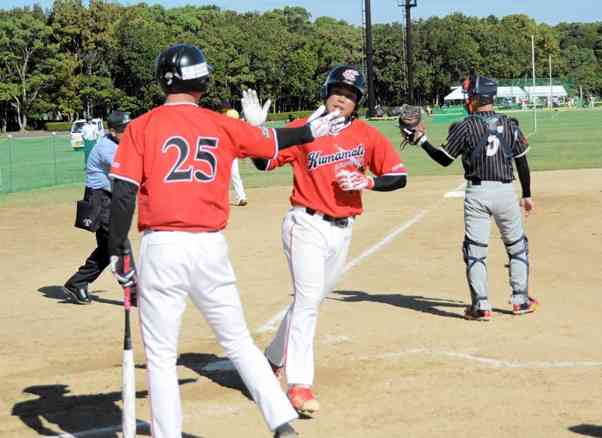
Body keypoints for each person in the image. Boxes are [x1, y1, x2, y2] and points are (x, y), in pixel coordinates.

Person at [107, 43, 344, 438]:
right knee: (238, 342)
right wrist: (308, 130)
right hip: (209, 245)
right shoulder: (220, 124)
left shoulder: (140, 127)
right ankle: (281, 422)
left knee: (163, 357)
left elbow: (123, 195)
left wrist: (118, 251)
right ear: (201, 79)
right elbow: (271, 142)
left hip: (161, 245)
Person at [246, 65, 408, 416]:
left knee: (311, 300)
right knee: (306, 301)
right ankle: (299, 384)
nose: (342, 98)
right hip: (305, 223)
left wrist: (369, 183)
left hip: (343, 228)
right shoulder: (305, 129)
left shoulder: (366, 135)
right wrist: (257, 130)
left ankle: (271, 359)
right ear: (326, 92)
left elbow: (398, 176)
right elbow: (262, 163)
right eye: (337, 91)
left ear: (357, 103)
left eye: (350, 96)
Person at [405, 72, 538, 321]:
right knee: (518, 246)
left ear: (476, 97)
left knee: (475, 250)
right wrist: (527, 194)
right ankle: (520, 300)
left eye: (470, 94)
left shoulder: (464, 126)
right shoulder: (511, 124)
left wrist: (422, 141)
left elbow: (444, 160)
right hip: (506, 193)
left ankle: (481, 305)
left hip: (477, 194)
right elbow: (522, 163)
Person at [63, 111, 131, 304]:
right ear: (112, 131)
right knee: (118, 244)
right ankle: (133, 291)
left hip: (109, 198)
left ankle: (77, 283)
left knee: (106, 248)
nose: (127, 133)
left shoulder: (119, 143)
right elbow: (126, 172)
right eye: (122, 130)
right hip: (99, 200)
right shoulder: (107, 148)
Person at [222, 100, 248, 206]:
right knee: (234, 174)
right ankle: (241, 197)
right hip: (227, 149)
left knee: (231, 174)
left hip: (228, 149)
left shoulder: (226, 115)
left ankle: (241, 197)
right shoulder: (231, 114)